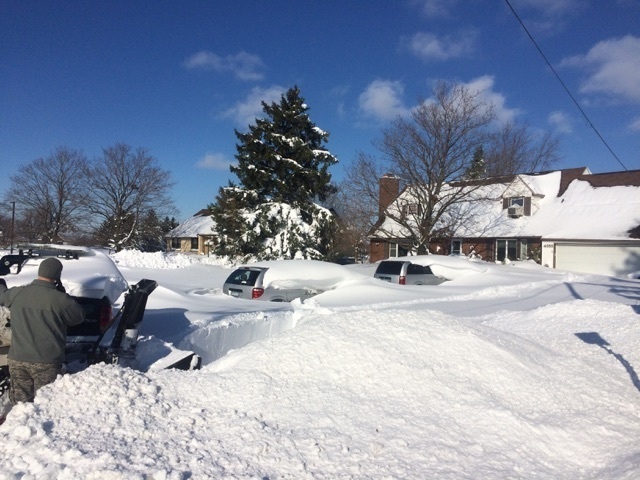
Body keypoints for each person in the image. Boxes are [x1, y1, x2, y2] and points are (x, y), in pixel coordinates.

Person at [0, 257, 84, 404]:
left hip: (17, 359)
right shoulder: (60, 299)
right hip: (46, 363)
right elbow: (78, 318)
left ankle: (18, 425)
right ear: (58, 275)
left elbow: (1, 295)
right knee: (45, 405)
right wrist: (64, 294)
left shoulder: (17, 293)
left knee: (20, 406)